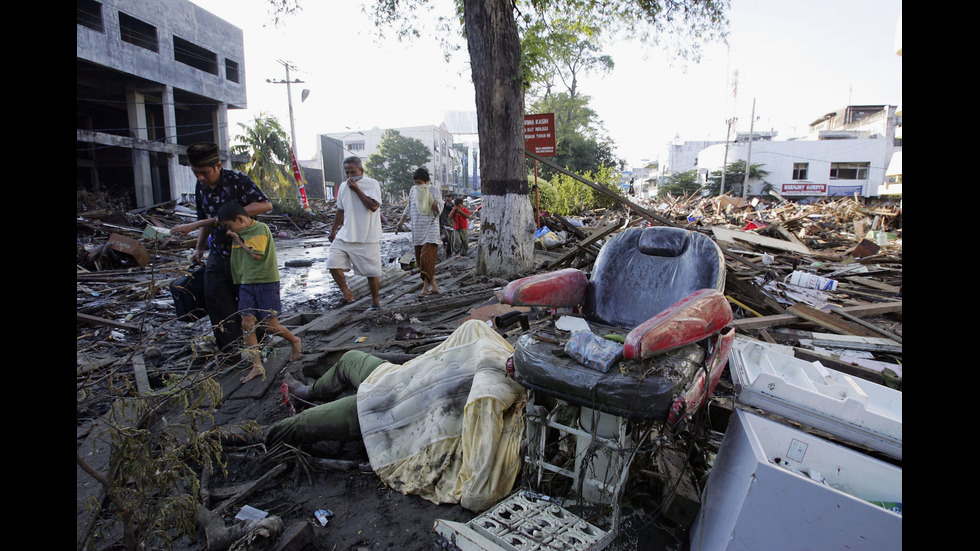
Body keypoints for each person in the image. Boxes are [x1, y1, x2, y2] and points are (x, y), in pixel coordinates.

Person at [172, 142, 272, 366]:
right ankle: (231, 354)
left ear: (217, 166)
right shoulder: (201, 187)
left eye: (205, 173)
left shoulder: (237, 180)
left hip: (244, 252)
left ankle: (261, 347)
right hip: (217, 252)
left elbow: (265, 205)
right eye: (196, 173)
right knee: (217, 302)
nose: (201, 178)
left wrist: (231, 215)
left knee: (250, 303)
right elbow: (205, 220)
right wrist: (199, 248)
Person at [217, 201, 302, 384]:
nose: (228, 230)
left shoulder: (259, 229)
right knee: (247, 324)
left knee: (270, 327)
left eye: (229, 226)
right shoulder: (239, 232)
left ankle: (294, 340)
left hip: (265, 281)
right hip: (247, 282)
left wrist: (237, 238)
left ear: (240, 219)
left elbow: (256, 255)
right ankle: (256, 364)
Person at [326, 156, 383, 310]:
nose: (350, 176)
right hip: (346, 234)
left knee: (371, 272)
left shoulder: (371, 184)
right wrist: (333, 230)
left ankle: (375, 302)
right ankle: (347, 294)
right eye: (347, 173)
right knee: (332, 262)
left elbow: (373, 206)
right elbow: (340, 210)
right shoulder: (344, 186)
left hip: (367, 235)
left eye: (353, 172)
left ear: (361, 170)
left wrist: (357, 189)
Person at [396, 167, 443, 296]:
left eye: (419, 183)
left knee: (425, 258)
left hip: (431, 228)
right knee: (421, 260)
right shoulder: (413, 190)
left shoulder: (433, 190)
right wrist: (401, 222)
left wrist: (427, 195)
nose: (417, 185)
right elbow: (409, 207)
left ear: (427, 182)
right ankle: (433, 285)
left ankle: (426, 287)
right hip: (417, 229)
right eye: (415, 182)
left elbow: (439, 209)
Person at [439, 193, 454, 259]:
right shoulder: (441, 207)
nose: (448, 202)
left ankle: (449, 253)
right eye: (447, 201)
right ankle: (446, 253)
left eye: (449, 201)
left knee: (451, 240)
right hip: (443, 225)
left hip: (451, 226)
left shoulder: (453, 207)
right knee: (445, 238)